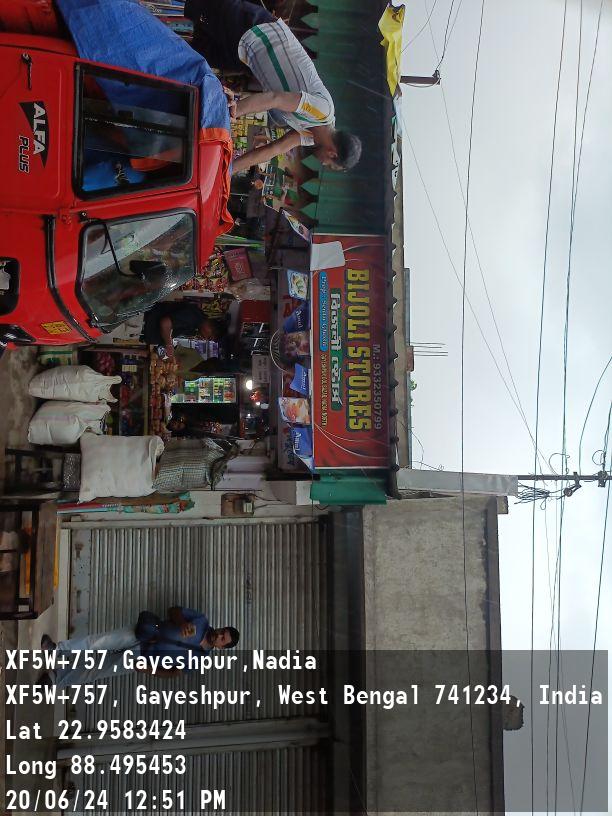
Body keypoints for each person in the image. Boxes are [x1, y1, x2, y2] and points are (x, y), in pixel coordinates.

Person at [184, 0, 362, 174]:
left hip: (245, 53)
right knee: (197, 6)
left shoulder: (309, 137)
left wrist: (227, 171)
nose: (323, 164)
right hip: (257, 31)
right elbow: (275, 99)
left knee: (190, 52)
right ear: (332, 153)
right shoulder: (322, 111)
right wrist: (229, 113)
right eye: (329, 165)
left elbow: (274, 149)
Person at [40, 607, 240, 687]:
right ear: (221, 627)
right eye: (222, 631)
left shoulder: (199, 660)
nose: (219, 635)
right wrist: (181, 622)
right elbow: (174, 610)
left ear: (222, 647)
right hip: (143, 633)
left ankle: (55, 679)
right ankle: (56, 651)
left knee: (97, 670)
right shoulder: (201, 621)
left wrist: (149, 670)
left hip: (142, 659)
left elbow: (174, 673)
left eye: (223, 639)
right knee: (97, 642)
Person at [142, 301, 226, 357]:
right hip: (142, 321)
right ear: (212, 326)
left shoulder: (195, 326)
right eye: (209, 337)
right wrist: (169, 344)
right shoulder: (193, 316)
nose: (205, 339)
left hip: (143, 331)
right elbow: (165, 323)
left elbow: (171, 331)